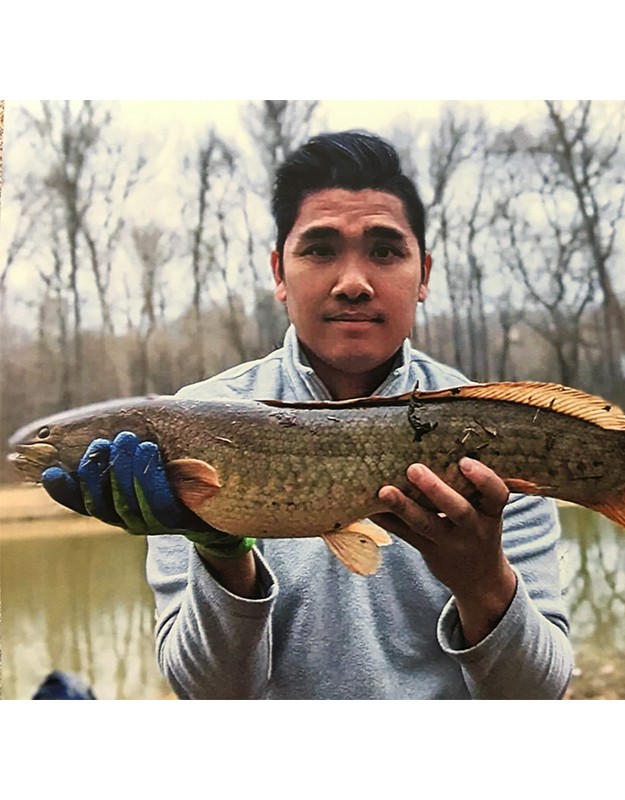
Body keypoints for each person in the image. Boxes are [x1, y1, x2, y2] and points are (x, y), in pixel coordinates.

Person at [41, 130, 574, 699]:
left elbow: (539, 697)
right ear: (278, 272)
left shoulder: (497, 427)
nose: (352, 283)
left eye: (386, 251)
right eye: (320, 249)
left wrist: (483, 583)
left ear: (423, 276)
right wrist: (222, 552)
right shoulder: (187, 426)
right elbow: (211, 697)